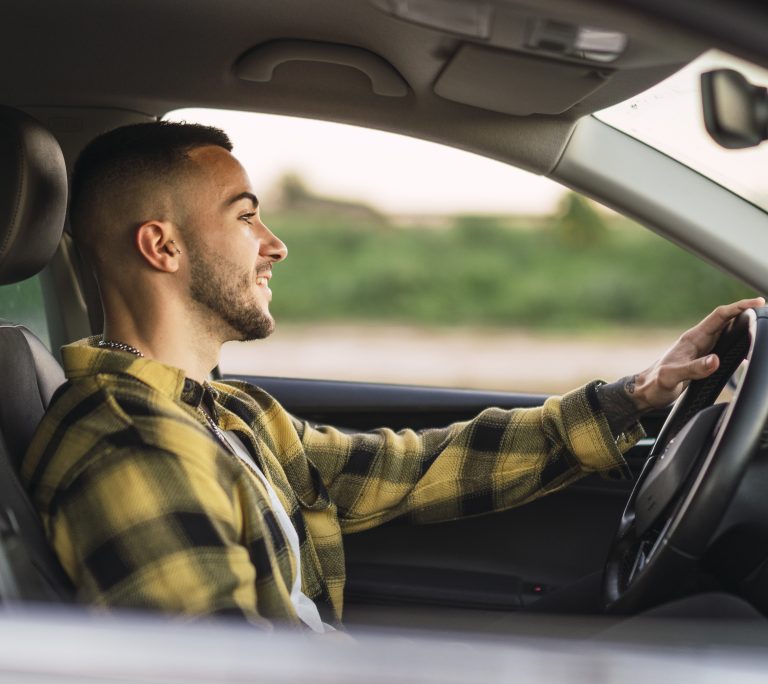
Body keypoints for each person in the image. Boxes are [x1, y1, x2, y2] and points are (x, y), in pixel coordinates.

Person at [21, 121, 764, 632]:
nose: (275, 245)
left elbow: (411, 468)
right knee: (715, 629)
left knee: (703, 618)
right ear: (162, 246)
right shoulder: (132, 444)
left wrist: (638, 395)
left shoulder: (228, 413)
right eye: (246, 217)